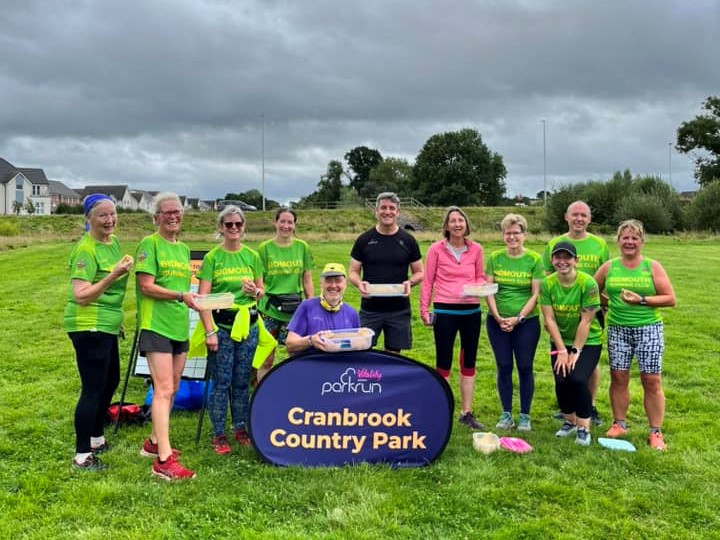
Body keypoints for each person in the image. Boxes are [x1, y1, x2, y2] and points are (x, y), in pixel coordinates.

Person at [64, 194, 133, 471]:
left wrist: (117, 321)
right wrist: (113, 274)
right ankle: (82, 456)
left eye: (113, 214)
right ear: (88, 219)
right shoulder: (85, 249)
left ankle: (96, 438)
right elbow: (81, 295)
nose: (109, 220)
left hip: (107, 324)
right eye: (102, 215)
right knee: (93, 389)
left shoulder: (112, 242)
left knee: (110, 381)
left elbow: (111, 293)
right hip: (87, 324)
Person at [593, 220, 676, 451]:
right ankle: (619, 424)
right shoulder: (609, 267)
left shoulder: (651, 267)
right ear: (618, 241)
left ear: (642, 241)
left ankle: (655, 431)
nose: (629, 242)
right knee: (619, 378)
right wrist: (603, 303)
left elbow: (670, 298)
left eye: (634, 238)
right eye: (625, 238)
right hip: (618, 329)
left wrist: (641, 300)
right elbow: (593, 289)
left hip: (648, 329)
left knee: (651, 380)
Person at [135, 192, 199, 481]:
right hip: (156, 325)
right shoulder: (149, 244)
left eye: (177, 211)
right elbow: (146, 286)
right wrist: (179, 295)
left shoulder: (184, 249)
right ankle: (163, 461)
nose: (173, 216)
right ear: (156, 217)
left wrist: (188, 299)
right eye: (167, 212)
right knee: (162, 390)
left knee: (172, 388)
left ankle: (153, 443)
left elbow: (185, 292)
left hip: (178, 326)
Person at [197, 206, 264, 454]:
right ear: (220, 228)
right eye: (228, 225)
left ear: (244, 227)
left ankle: (240, 428)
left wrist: (254, 292)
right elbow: (202, 299)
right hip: (222, 327)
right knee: (221, 382)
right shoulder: (212, 258)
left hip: (248, 326)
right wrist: (209, 332)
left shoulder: (252, 256)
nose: (234, 228)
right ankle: (219, 433)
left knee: (241, 382)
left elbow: (261, 291)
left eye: (238, 224)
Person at [419, 207, 487, 431]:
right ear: (446, 226)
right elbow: (428, 281)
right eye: (453, 221)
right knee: (443, 361)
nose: (457, 224)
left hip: (471, 311)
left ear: (466, 224)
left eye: (461, 220)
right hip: (444, 311)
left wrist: (480, 285)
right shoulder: (436, 250)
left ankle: (466, 412)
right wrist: (423, 309)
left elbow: (479, 276)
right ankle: (442, 408)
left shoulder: (476, 249)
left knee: (468, 362)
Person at [543, 200, 610, 425]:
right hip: (563, 308)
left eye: (583, 215)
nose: (579, 219)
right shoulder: (555, 243)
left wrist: (602, 302)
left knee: (586, 364)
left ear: (589, 219)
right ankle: (569, 408)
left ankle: (589, 406)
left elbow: (606, 276)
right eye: (575, 215)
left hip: (591, 307)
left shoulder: (599, 244)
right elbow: (547, 275)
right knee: (566, 366)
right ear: (566, 217)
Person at [540, 241, 603, 447]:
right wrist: (561, 350)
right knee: (561, 379)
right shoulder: (547, 284)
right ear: (552, 260)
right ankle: (569, 422)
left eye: (567, 257)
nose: (562, 261)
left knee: (576, 378)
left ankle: (584, 428)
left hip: (588, 341)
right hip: (560, 339)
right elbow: (549, 319)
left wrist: (574, 351)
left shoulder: (588, 284)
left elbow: (586, 320)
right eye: (558, 257)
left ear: (576, 260)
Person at [485, 214, 544, 431]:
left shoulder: (535, 260)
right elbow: (489, 290)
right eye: (508, 233)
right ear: (503, 235)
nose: (512, 237)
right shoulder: (495, 258)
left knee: (525, 366)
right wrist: (498, 316)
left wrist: (518, 318)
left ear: (524, 235)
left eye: (516, 232)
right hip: (497, 322)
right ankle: (506, 414)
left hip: (526, 322)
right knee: (504, 366)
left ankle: (525, 415)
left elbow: (536, 293)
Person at [349, 192, 423, 353]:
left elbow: (419, 272)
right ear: (376, 211)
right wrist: (359, 283)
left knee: (394, 357)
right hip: (370, 309)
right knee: (363, 354)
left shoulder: (408, 240)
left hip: (399, 310)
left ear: (398, 212)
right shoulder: (364, 240)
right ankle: (368, 379)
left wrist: (409, 282)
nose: (387, 212)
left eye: (391, 208)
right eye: (383, 208)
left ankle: (388, 379)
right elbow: (353, 272)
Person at [256, 207, 314, 381]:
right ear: (275, 222)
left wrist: (311, 305)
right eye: (283, 221)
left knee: (295, 355)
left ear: (295, 225)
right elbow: (260, 279)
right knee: (266, 359)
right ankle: (262, 395)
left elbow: (307, 278)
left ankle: (293, 394)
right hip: (269, 310)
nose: (286, 226)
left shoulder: (302, 247)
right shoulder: (264, 248)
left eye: (290, 222)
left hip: (295, 310)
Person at [285, 263, 360, 355]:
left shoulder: (351, 313)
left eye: (338, 281)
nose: (333, 285)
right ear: (321, 284)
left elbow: (356, 346)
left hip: (340, 365)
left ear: (345, 284)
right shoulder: (306, 307)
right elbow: (290, 345)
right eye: (328, 281)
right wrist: (310, 341)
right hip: (311, 365)